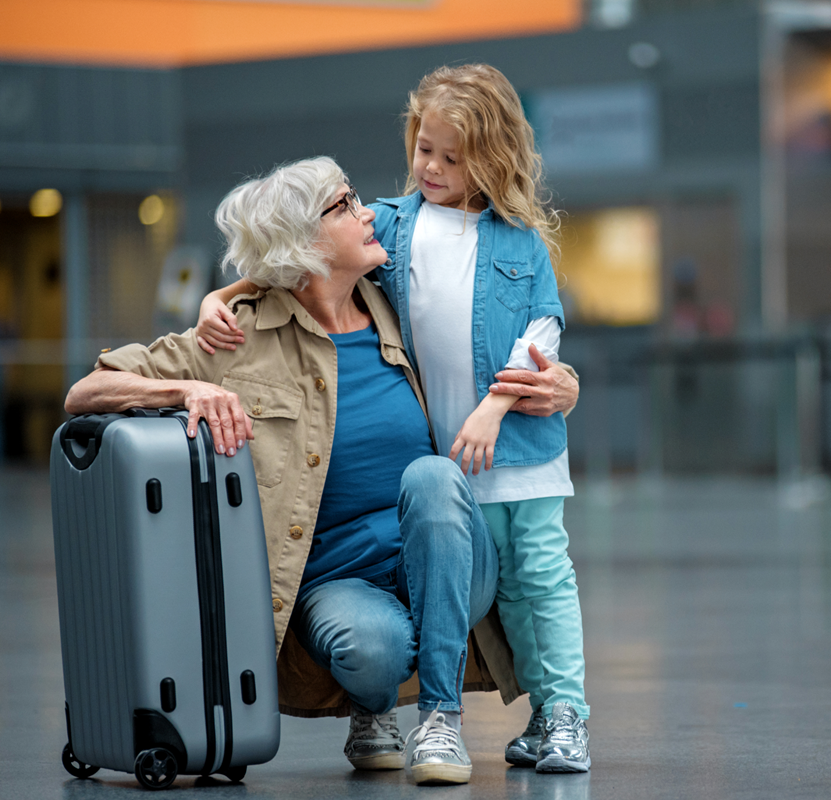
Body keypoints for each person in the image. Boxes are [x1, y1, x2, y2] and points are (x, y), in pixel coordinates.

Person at [64, 157, 573, 787]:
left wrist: (563, 384)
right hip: (336, 578)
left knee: (433, 477)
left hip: (444, 547)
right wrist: (188, 388)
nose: (367, 212)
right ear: (302, 243)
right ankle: (374, 704)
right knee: (372, 650)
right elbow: (85, 391)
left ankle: (441, 716)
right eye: (343, 204)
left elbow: (502, 347)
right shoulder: (237, 336)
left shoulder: (398, 303)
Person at [197, 63, 590, 775]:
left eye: (451, 154)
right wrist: (220, 295)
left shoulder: (522, 245)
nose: (431, 166)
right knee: (475, 581)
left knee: (537, 578)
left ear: (492, 155)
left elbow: (543, 337)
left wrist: (518, 398)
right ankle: (386, 706)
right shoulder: (393, 224)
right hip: (445, 465)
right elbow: (293, 249)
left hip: (514, 446)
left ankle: (558, 714)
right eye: (423, 148)